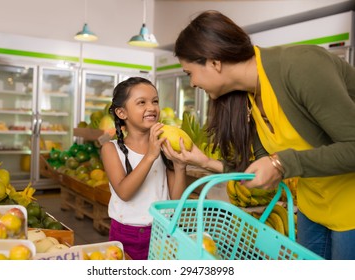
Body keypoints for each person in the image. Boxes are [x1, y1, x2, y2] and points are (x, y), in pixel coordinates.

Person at [171, 10, 355, 260]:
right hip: (314, 206)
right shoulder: (247, 99)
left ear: (214, 61)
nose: (192, 83)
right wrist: (203, 162)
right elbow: (261, 168)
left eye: (189, 72)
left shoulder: (302, 66)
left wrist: (282, 163)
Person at [100, 77, 187, 260]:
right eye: (142, 102)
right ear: (122, 113)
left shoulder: (164, 147)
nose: (152, 107)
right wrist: (150, 156)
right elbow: (124, 192)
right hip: (127, 235)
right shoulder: (111, 149)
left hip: (163, 232)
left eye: (155, 101)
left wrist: (180, 166)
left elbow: (175, 200)